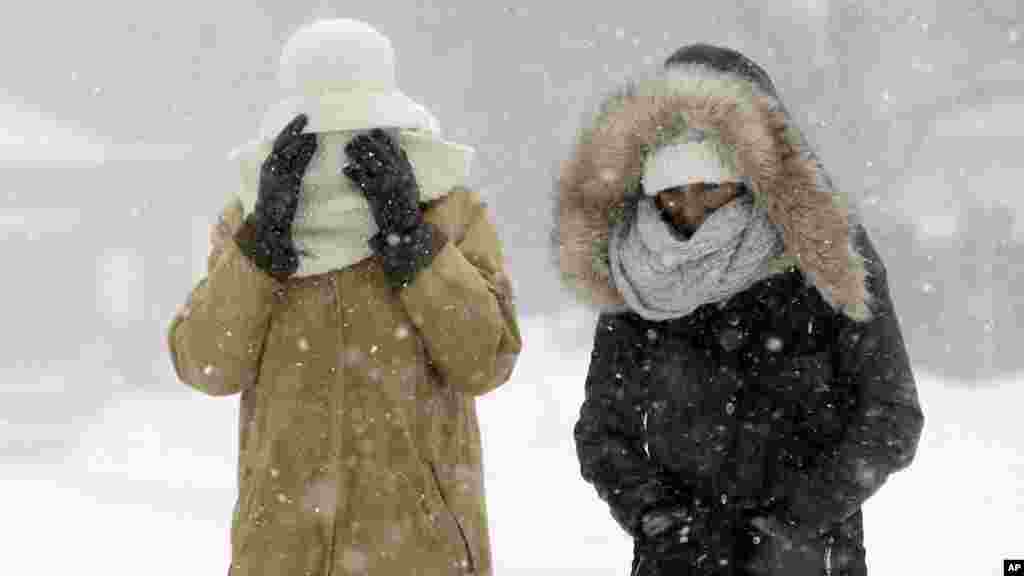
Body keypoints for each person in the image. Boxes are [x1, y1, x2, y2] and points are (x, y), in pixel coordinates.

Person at [168, 19, 521, 576]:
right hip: (282, 552)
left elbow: (486, 359)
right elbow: (207, 365)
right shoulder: (250, 221)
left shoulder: (448, 211)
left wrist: (410, 238)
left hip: (419, 555)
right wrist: (263, 247)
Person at [556, 44, 924, 575]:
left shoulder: (828, 253)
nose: (691, 209)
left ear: (754, 172)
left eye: (710, 187)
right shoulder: (641, 270)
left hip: (806, 561)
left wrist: (794, 524)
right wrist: (659, 518)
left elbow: (891, 417)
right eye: (672, 190)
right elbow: (602, 430)